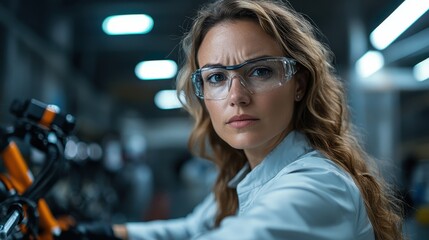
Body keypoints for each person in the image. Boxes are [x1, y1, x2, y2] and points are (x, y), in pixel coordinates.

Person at [58, 0, 404, 239]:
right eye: (217, 78)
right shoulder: (252, 176)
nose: (236, 95)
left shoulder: (318, 185)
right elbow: (191, 230)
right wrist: (108, 233)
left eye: (260, 71)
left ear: (298, 84)